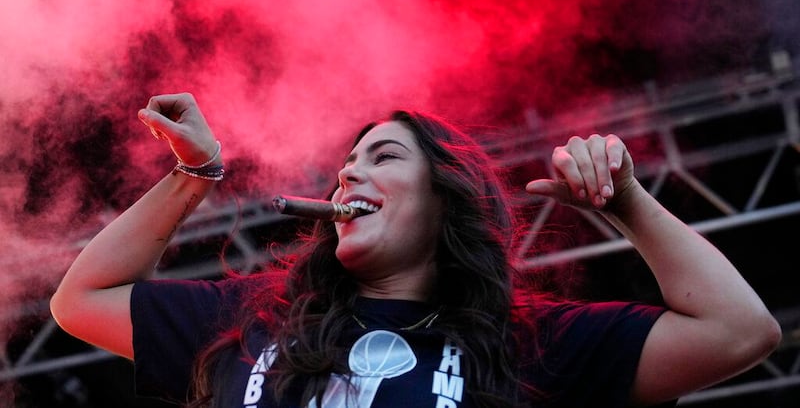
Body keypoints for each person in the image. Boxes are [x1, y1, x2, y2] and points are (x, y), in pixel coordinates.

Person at [50, 92, 781, 408]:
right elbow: (81, 299)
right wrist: (195, 175)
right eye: (347, 161)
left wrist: (627, 203)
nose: (348, 172)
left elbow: (738, 332)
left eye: (384, 157)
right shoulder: (253, 318)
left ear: (446, 200)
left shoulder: (526, 347)